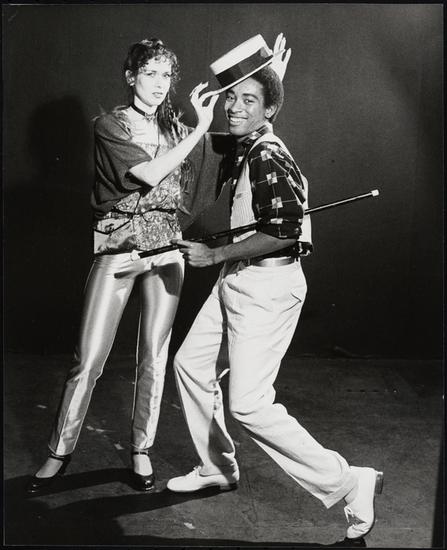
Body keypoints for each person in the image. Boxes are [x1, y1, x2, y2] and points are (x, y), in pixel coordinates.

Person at [166, 35, 383, 545]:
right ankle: (217, 466)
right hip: (239, 279)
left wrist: (213, 255)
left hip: (266, 287)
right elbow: (229, 136)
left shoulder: (266, 155)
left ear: (268, 110)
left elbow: (284, 231)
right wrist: (266, 84)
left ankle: (348, 481)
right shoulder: (250, 140)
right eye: (231, 97)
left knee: (248, 404)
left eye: (249, 100)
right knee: (191, 366)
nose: (235, 108)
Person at [27, 38, 218, 494]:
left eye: (166, 75)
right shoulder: (110, 126)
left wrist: (271, 86)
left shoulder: (177, 130)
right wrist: (199, 130)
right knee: (89, 358)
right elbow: (147, 175)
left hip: (166, 248)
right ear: (131, 77)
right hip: (119, 247)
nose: (159, 83)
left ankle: (141, 450)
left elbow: (224, 153)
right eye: (149, 72)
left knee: (154, 356)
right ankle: (58, 453)